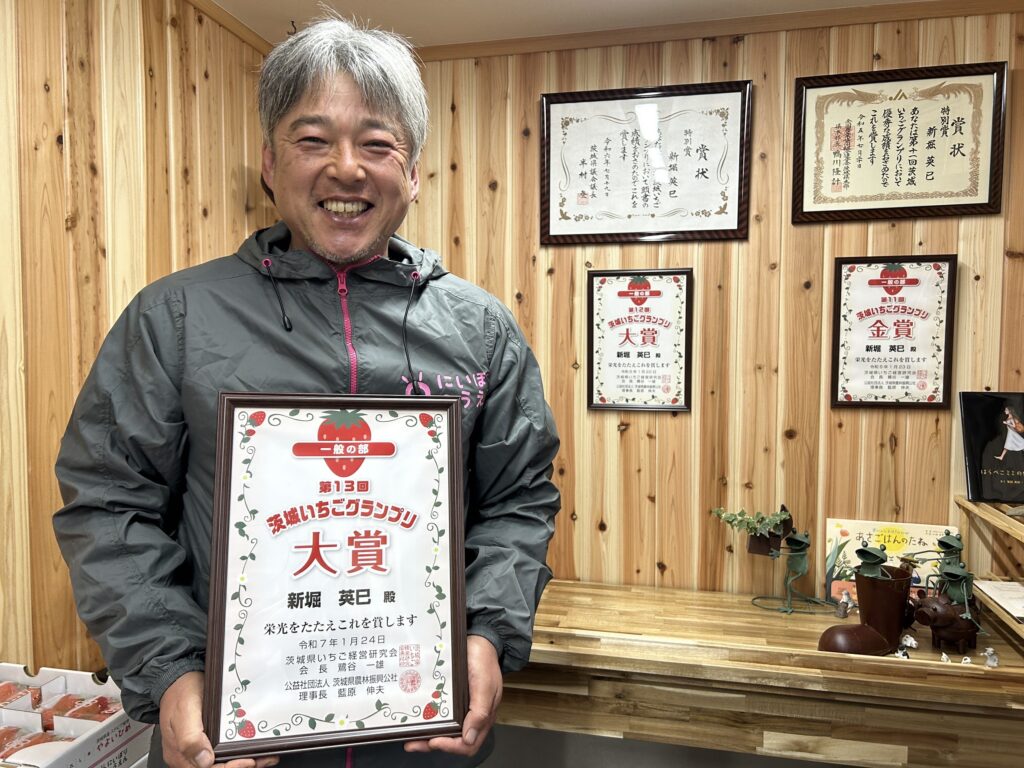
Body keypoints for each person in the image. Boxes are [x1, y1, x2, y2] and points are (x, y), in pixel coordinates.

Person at [53, 16, 559, 768]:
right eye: (313, 139)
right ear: (269, 161)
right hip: (231, 739)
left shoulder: (479, 329)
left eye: (377, 143)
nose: (346, 169)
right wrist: (171, 671)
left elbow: (518, 499)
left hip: (423, 737)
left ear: (414, 172)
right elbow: (107, 503)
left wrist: (486, 633)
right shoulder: (175, 318)